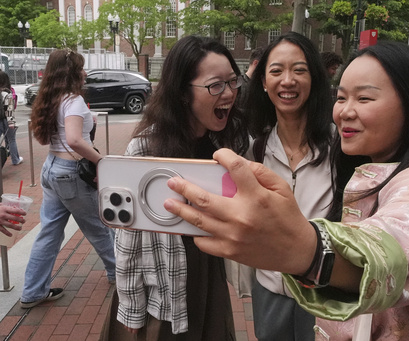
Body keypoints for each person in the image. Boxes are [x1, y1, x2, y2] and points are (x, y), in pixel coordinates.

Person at [163, 41, 409, 340]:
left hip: (327, 294)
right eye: (342, 97)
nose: (345, 110)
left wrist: (306, 250)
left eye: (364, 98)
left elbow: (403, 242)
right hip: (291, 290)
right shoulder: (261, 148)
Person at [100, 36, 249, 340]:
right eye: (215, 85)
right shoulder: (146, 148)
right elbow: (127, 236)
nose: (229, 93)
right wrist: (130, 303)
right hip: (162, 283)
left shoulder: (223, 143)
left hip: (207, 272)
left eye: (233, 82)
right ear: (183, 92)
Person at [244, 32, 350, 341]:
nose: (287, 80)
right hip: (270, 291)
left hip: (326, 292)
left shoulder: (341, 148)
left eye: (299, 70)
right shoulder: (257, 151)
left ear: (315, 79)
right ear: (263, 82)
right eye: (276, 71)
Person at [23, 48, 116, 309]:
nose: (85, 72)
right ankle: (121, 273)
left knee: (49, 232)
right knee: (100, 227)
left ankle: (33, 291)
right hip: (71, 173)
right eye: (81, 67)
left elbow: (62, 136)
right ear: (71, 72)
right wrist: (102, 161)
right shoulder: (73, 101)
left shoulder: (52, 99)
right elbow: (74, 140)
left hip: (52, 168)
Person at [0, 71, 23, 165]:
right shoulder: (7, 93)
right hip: (6, 120)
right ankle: (15, 159)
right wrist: (11, 122)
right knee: (11, 140)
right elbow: (9, 110)